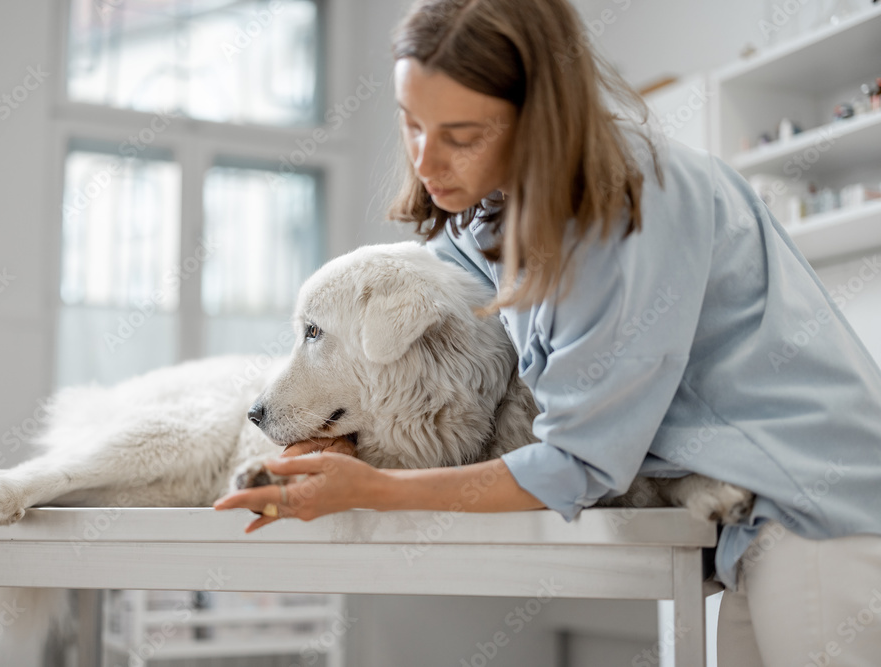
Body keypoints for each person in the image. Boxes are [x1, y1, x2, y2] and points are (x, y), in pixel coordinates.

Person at [214, 0, 881, 663]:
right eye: (411, 123)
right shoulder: (490, 217)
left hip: (818, 500)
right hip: (750, 521)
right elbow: (437, 312)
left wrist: (374, 489)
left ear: (538, 116)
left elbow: (576, 462)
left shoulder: (636, 204)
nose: (425, 159)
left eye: (461, 134)